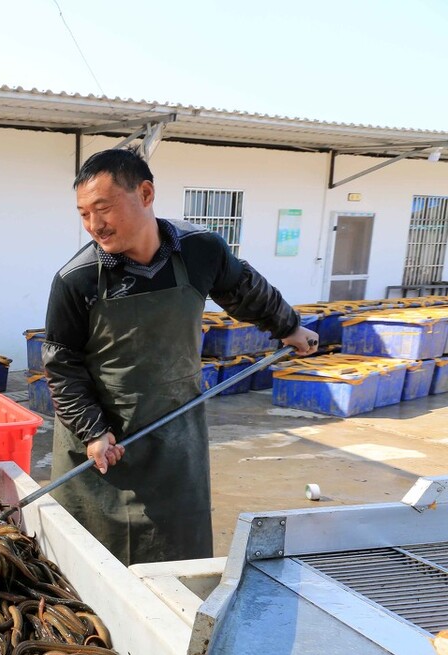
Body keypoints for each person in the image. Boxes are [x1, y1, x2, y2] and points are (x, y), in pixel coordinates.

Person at [43, 148, 318, 565]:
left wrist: (289, 327)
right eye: (84, 214)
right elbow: (62, 365)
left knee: (175, 556)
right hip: (101, 441)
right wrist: (93, 431)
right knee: (90, 565)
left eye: (104, 208)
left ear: (146, 193)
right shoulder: (76, 278)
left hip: (174, 432)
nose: (95, 225)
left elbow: (243, 288)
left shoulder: (199, 250)